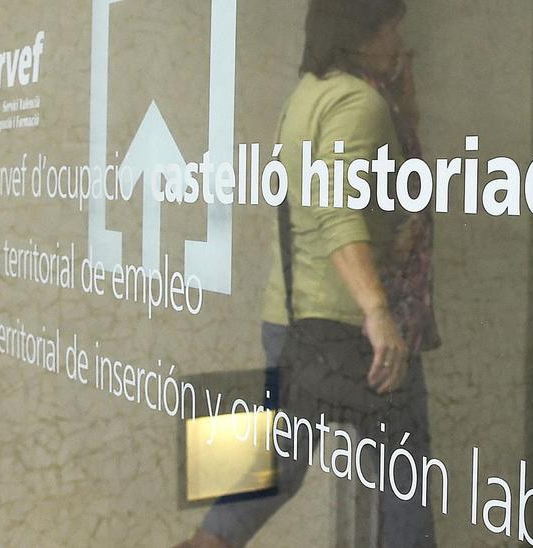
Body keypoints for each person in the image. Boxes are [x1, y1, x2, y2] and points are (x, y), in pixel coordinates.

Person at [178, 0, 438, 545]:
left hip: (295, 321)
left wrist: (405, 114)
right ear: (361, 33)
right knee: (404, 484)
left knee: (274, 474)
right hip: (354, 327)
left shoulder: (309, 96)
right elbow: (336, 208)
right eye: (391, 25)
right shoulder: (360, 104)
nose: (399, 38)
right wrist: (377, 313)